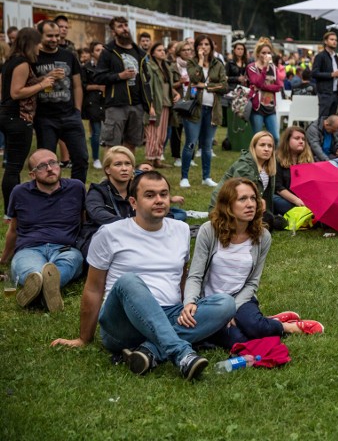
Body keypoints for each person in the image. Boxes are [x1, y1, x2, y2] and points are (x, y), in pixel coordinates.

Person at [51, 171, 235, 380]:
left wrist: (188, 306)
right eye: (150, 195)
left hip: (169, 314)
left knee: (226, 304)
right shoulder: (110, 233)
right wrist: (84, 338)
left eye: (164, 194)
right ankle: (181, 353)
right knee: (129, 280)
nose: (159, 200)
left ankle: (150, 350)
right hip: (123, 323)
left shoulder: (181, 229)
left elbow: (181, 278)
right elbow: (93, 288)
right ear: (133, 202)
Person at [185, 179, 323, 350]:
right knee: (239, 342)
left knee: (255, 328)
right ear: (227, 204)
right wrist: (190, 302)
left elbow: (252, 282)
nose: (250, 204)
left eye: (253, 199)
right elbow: (195, 275)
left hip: (242, 298)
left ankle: (287, 327)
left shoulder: (262, 236)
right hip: (212, 302)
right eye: (242, 199)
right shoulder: (209, 230)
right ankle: (268, 321)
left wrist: (231, 310)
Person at [0, 149, 85, 312]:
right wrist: (4, 259)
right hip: (29, 249)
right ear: (32, 174)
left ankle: (38, 289)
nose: (50, 168)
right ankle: (45, 287)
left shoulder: (76, 188)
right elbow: (13, 230)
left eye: (53, 163)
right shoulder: (19, 192)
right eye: (42, 166)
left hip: (65, 248)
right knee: (31, 270)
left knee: (71, 260)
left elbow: (84, 221)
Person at [0, 28, 51, 213]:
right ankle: (10, 210)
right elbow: (16, 92)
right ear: (30, 43)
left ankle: (12, 207)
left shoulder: (11, 62)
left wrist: (44, 79)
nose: (40, 47)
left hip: (8, 115)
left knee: (13, 166)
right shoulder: (22, 63)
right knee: (14, 168)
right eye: (38, 43)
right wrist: (42, 85)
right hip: (18, 118)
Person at [33, 20, 88, 183]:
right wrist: (46, 77)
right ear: (40, 35)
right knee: (45, 162)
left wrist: (77, 110)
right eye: (50, 36)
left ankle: (77, 192)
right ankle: (49, 193)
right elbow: (27, 84)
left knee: (81, 158)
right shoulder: (34, 57)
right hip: (45, 118)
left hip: (70, 116)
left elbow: (77, 85)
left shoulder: (68, 55)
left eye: (57, 36)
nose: (54, 39)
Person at [179, 35, 227, 188]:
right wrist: (200, 61)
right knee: (191, 143)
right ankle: (184, 177)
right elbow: (194, 78)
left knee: (207, 145)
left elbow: (224, 86)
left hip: (212, 110)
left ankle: (206, 177)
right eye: (201, 44)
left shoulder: (218, 64)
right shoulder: (192, 62)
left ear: (211, 47)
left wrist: (206, 86)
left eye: (207, 44)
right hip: (195, 108)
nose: (204, 47)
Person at [95, 16, 147, 152]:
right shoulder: (108, 52)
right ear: (113, 32)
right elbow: (98, 77)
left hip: (137, 104)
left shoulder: (139, 52)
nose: (124, 29)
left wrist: (147, 101)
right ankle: (110, 172)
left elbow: (146, 78)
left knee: (132, 143)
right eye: (120, 26)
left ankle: (128, 172)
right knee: (112, 145)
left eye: (125, 25)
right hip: (116, 104)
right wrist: (120, 76)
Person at [76, 146, 136, 257]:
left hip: (133, 237)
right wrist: (132, 226)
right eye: (118, 164)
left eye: (128, 164)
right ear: (107, 169)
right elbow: (97, 214)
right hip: (100, 239)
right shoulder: (97, 190)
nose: (124, 168)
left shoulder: (138, 190)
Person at [210, 131, 276, 216]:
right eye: (262, 145)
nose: (266, 149)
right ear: (254, 147)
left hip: (248, 205)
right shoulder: (245, 166)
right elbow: (240, 194)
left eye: (270, 146)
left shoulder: (269, 166)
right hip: (224, 207)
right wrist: (259, 201)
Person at [141, 43, 179, 168]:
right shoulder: (149, 66)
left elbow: (167, 85)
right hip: (155, 104)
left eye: (163, 50)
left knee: (162, 134)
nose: (163, 52)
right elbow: (148, 87)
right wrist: (150, 105)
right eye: (159, 50)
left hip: (166, 104)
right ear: (152, 53)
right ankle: (150, 160)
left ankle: (157, 159)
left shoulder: (166, 67)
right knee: (152, 133)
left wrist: (175, 93)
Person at [246, 39, 283, 146]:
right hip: (257, 107)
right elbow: (257, 82)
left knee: (275, 137)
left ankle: (272, 160)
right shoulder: (251, 67)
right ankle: (256, 160)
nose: (266, 55)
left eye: (268, 53)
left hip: (270, 107)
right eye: (263, 53)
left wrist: (263, 87)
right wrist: (265, 68)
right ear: (258, 54)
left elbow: (278, 86)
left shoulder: (274, 68)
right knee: (258, 138)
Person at [273, 126, 314, 215]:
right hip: (286, 198)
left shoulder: (308, 161)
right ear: (287, 141)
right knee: (274, 200)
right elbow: (278, 187)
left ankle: (305, 213)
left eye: (303, 139)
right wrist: (296, 200)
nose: (301, 141)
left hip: (304, 199)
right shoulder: (277, 160)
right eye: (297, 138)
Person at [81, 41, 106, 169]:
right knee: (96, 131)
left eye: (102, 49)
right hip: (93, 101)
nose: (101, 52)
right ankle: (96, 158)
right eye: (97, 50)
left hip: (106, 100)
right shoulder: (86, 68)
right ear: (92, 53)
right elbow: (83, 85)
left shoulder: (108, 66)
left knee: (108, 132)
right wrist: (97, 87)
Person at [311, 31, 338, 119]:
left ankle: (328, 133)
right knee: (323, 119)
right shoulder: (320, 56)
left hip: (335, 92)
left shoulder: (335, 57)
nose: (334, 42)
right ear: (325, 41)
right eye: (332, 39)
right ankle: (320, 133)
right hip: (325, 93)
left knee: (332, 120)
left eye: (335, 40)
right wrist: (331, 74)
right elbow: (314, 73)